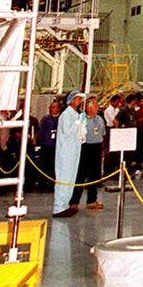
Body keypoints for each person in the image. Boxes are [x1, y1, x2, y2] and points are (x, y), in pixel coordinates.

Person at [53, 90, 84, 218]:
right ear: (71, 100)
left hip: (74, 150)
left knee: (71, 178)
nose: (80, 101)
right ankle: (58, 207)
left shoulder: (76, 115)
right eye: (78, 99)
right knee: (64, 178)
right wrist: (78, 123)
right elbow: (67, 131)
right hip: (66, 151)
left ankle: (66, 204)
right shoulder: (65, 115)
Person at [74, 96, 105, 211]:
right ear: (88, 107)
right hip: (85, 147)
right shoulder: (81, 119)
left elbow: (102, 135)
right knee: (80, 175)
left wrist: (102, 149)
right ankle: (74, 201)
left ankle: (92, 200)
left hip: (96, 147)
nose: (97, 108)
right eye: (95, 105)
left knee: (95, 175)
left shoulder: (100, 119)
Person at [37, 99, 60, 189]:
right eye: (52, 107)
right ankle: (42, 182)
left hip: (56, 146)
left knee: (54, 165)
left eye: (55, 107)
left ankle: (52, 182)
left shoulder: (60, 119)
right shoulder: (46, 119)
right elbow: (41, 131)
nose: (53, 109)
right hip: (46, 145)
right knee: (44, 164)